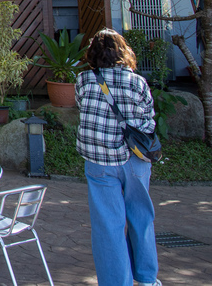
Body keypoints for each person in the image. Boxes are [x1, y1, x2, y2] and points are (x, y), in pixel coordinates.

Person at [76, 28, 160, 286]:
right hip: (134, 160)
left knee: (108, 227)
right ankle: (146, 278)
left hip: (99, 161)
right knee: (141, 217)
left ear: (93, 53)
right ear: (122, 51)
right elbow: (148, 119)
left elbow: (81, 106)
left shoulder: (83, 80)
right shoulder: (137, 82)